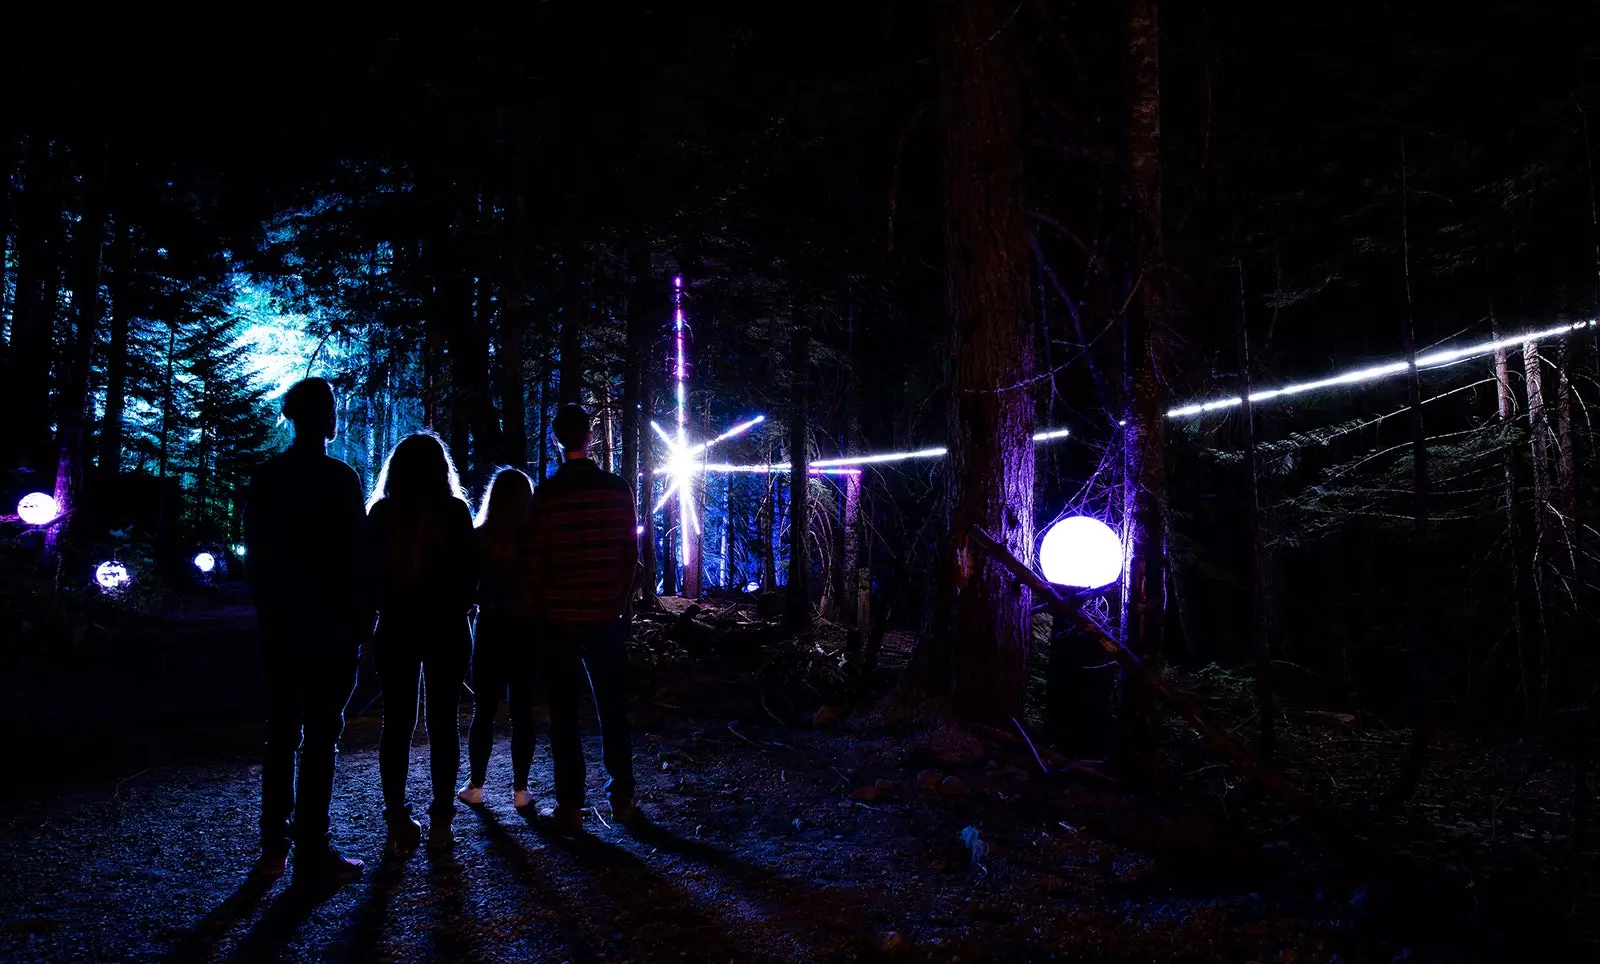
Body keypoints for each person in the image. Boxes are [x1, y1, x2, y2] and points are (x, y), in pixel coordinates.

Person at [242, 377, 367, 881]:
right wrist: (360, 621)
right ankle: (311, 847)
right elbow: (357, 555)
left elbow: (256, 552)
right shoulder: (339, 479)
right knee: (319, 738)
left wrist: (269, 610)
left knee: (282, 734)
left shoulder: (268, 476)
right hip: (330, 627)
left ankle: (275, 849)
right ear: (326, 418)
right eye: (333, 408)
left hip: (282, 625)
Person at [523, 404, 641, 833]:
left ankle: (570, 807)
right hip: (605, 615)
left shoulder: (548, 494)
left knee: (564, 712)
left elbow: (534, 560)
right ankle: (622, 799)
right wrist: (616, 599)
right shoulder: (616, 489)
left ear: (557, 440)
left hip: (559, 618)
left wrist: (539, 606)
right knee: (612, 706)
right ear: (590, 437)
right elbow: (630, 554)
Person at [366, 433, 476, 850]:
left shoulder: (381, 514)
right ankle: (442, 823)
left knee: (395, 724)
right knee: (443, 722)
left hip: (395, 627)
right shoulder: (455, 512)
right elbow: (470, 580)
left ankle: (397, 822)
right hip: (447, 628)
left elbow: (369, 578)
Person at [457, 467, 539, 811]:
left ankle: (476, 785)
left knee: (484, 712)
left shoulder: (480, 538)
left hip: (490, 629)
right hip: (525, 630)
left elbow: (467, 589)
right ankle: (521, 790)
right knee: (522, 712)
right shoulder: (534, 539)